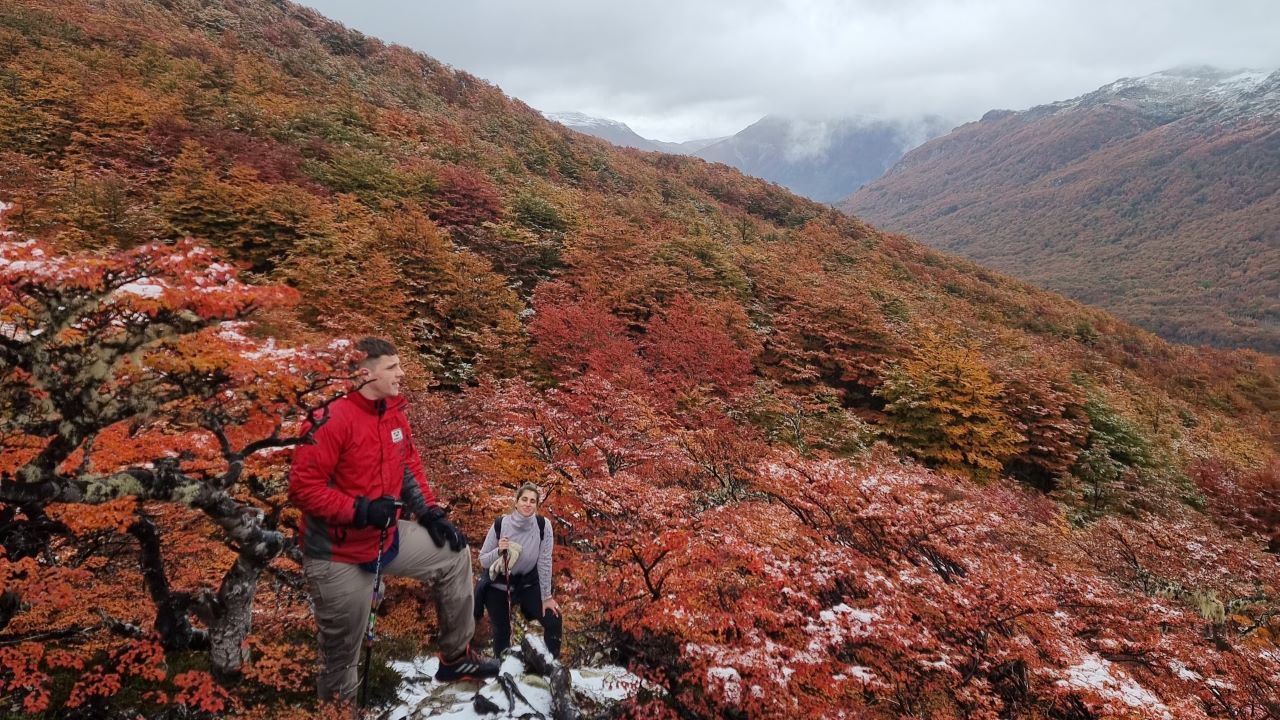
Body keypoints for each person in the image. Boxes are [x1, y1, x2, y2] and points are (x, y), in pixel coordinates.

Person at [289, 337, 499, 704]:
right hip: (336, 552)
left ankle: (455, 659)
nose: (401, 373)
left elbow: (406, 466)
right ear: (365, 374)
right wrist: (360, 510)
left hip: (383, 537)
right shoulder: (329, 418)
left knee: (453, 556)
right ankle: (338, 713)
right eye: (392, 367)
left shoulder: (392, 412)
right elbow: (303, 489)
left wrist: (429, 512)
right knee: (342, 658)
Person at [477, 483, 562, 659]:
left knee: (553, 618)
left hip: (528, 584)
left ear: (536, 505)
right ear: (516, 502)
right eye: (524, 499)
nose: (527, 504)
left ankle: (551, 666)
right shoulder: (500, 525)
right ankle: (504, 671)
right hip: (499, 585)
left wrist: (547, 597)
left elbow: (545, 562)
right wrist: (499, 551)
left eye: (532, 501)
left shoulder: (543, 525)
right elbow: (483, 559)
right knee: (502, 631)